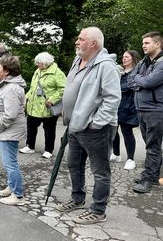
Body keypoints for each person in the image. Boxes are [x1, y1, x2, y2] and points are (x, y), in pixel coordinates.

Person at [56, 27, 121, 225]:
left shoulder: (105, 66)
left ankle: (98, 210)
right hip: (75, 126)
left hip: (95, 129)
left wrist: (96, 123)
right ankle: (77, 199)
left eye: (81, 38)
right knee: (74, 164)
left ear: (93, 43)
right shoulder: (78, 60)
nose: (76, 41)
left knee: (100, 171)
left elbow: (113, 98)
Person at [128, 31, 163, 194]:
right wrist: (140, 82)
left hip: (155, 110)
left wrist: (140, 81)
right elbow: (130, 79)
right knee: (151, 145)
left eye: (147, 43)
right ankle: (153, 175)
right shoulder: (143, 62)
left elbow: (149, 82)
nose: (143, 46)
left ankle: (148, 178)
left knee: (152, 146)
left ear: (158, 44)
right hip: (141, 108)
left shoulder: (161, 63)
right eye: (143, 43)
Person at [0, 55, 27, 205]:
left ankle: (18, 195)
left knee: (10, 163)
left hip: (8, 131)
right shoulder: (7, 85)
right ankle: (12, 187)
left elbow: (10, 115)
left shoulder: (11, 88)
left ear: (6, 71)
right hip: (7, 131)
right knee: (9, 162)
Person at [19, 52, 66, 159]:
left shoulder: (57, 73)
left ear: (46, 63)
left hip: (47, 107)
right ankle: (30, 146)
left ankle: (48, 150)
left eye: (39, 63)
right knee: (31, 126)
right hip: (33, 106)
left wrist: (53, 99)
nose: (37, 65)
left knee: (49, 129)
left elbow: (64, 88)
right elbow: (33, 88)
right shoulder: (37, 71)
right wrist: (26, 98)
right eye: (37, 63)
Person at [111, 50, 141, 170]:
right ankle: (116, 154)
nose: (124, 59)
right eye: (123, 57)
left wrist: (116, 88)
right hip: (117, 105)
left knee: (127, 132)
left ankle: (130, 159)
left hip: (129, 106)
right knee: (113, 130)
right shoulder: (120, 72)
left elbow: (127, 87)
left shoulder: (136, 72)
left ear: (133, 58)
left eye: (127, 57)